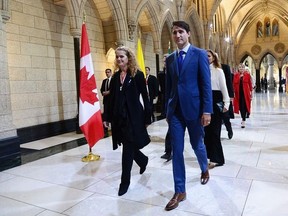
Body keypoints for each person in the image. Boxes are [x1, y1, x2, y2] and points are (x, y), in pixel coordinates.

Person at [164, 21, 213, 211]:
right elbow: (169, 87)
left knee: (197, 144)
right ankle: (180, 190)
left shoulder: (199, 54)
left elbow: (205, 85)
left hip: (194, 109)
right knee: (177, 149)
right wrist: (168, 110)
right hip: (175, 111)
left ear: (189, 34)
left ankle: (204, 167)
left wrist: (207, 110)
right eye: (175, 32)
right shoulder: (170, 59)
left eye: (181, 32)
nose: (178, 35)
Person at [105, 46, 151, 196]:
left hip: (133, 117)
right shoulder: (115, 77)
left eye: (122, 57)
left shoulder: (137, 75)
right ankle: (143, 160)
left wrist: (147, 116)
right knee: (127, 145)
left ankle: (124, 182)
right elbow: (110, 100)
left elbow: (145, 97)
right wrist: (106, 117)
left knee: (127, 149)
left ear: (128, 58)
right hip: (119, 118)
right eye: (117, 57)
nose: (119, 59)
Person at [205, 50, 230, 168]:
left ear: (214, 58)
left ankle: (218, 159)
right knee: (206, 132)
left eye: (209, 56)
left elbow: (224, 88)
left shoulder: (219, 71)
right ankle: (209, 155)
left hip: (215, 101)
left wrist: (227, 103)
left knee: (215, 132)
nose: (207, 58)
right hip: (204, 101)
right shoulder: (201, 70)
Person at [233, 63, 253, 128]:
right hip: (239, 94)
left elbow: (250, 85)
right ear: (238, 68)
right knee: (241, 107)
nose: (241, 69)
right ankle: (243, 119)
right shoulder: (236, 75)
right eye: (240, 67)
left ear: (244, 68)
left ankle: (243, 120)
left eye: (242, 67)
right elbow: (233, 85)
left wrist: (251, 93)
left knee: (245, 106)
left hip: (246, 94)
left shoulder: (247, 75)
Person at [221, 63, 234, 139]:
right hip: (212, 96)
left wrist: (231, 95)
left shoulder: (224, 67)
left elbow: (229, 82)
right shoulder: (206, 66)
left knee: (225, 115)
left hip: (222, 96)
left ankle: (229, 130)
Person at [100, 68, 112, 137]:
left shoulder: (113, 80)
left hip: (111, 100)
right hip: (106, 101)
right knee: (106, 114)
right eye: (106, 72)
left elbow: (113, 90)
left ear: (111, 73)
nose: (107, 73)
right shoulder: (104, 81)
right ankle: (106, 128)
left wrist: (108, 92)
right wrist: (103, 92)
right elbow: (102, 89)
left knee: (111, 113)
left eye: (108, 72)